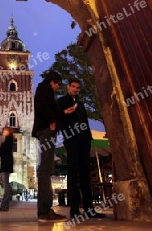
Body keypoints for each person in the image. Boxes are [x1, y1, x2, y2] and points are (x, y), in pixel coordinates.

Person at [57, 77, 106, 219]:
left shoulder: (81, 103)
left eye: (77, 87)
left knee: (85, 174)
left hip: (84, 140)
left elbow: (84, 120)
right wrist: (65, 113)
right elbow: (58, 117)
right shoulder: (62, 101)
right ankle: (74, 209)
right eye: (73, 86)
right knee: (73, 174)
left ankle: (89, 209)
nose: (75, 89)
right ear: (68, 87)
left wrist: (88, 136)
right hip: (71, 140)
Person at [32, 70, 67, 222]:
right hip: (46, 129)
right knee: (46, 168)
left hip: (46, 129)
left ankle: (45, 210)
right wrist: (52, 120)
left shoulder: (44, 88)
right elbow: (41, 103)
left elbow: (45, 105)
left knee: (47, 168)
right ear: (53, 81)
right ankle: (44, 211)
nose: (57, 88)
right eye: (57, 85)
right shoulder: (44, 87)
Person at [0, 126, 14, 211]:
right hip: (5, 164)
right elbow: (4, 151)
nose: (3, 131)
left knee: (6, 186)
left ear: (8, 132)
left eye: (5, 130)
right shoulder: (7, 140)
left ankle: (4, 206)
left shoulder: (9, 139)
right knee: (5, 185)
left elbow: (5, 149)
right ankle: (5, 206)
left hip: (6, 165)